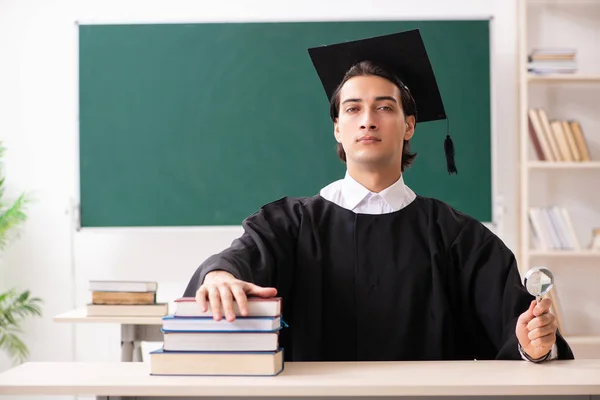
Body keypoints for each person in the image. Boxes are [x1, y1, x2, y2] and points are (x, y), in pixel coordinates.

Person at [183, 29, 574, 363]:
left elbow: (521, 329)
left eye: (384, 107)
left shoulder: (456, 237)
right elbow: (239, 259)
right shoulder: (290, 225)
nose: (368, 119)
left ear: (408, 126)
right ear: (337, 129)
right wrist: (219, 275)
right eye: (353, 109)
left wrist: (533, 343)